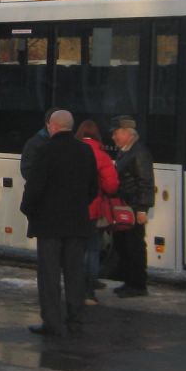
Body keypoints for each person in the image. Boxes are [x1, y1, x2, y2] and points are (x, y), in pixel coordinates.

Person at [20, 109, 98, 338]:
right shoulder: (85, 151)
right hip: (77, 222)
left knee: (49, 275)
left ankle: (52, 323)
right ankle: (75, 319)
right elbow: (93, 187)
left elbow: (34, 187)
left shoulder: (45, 151)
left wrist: (28, 209)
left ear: (53, 126)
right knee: (74, 273)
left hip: (49, 224)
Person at [111, 115, 157, 298]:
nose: (113, 137)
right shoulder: (126, 151)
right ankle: (129, 282)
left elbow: (146, 182)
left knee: (134, 246)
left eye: (116, 133)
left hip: (133, 207)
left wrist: (142, 209)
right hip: (125, 206)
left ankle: (138, 285)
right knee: (123, 245)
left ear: (127, 133)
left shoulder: (139, 153)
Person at [76, 119, 120, 305]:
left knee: (76, 250)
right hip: (94, 211)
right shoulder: (101, 156)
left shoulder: (73, 151)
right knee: (92, 250)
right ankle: (88, 292)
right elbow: (111, 186)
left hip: (73, 210)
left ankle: (74, 288)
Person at [18, 108, 58, 184]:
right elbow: (27, 171)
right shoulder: (35, 143)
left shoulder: (68, 142)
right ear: (48, 124)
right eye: (57, 124)